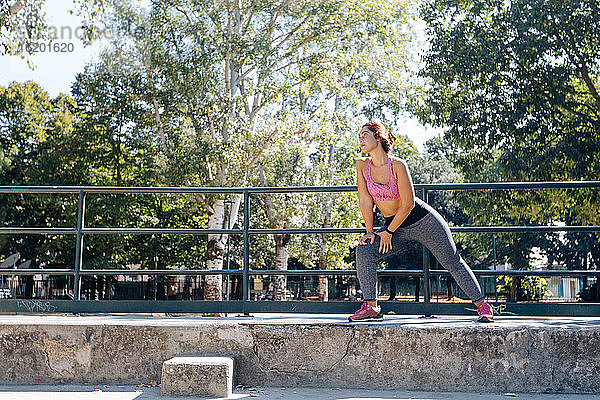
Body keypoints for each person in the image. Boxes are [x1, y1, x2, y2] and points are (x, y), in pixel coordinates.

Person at [349, 121, 494, 323]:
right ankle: (372, 307)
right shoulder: (362, 165)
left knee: (452, 261)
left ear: (378, 137)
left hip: (423, 220)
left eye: (365, 134)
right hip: (395, 226)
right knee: (365, 251)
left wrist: (388, 232)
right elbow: (365, 200)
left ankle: (483, 306)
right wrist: (371, 231)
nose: (361, 138)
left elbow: (408, 204)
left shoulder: (398, 165)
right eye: (359, 135)